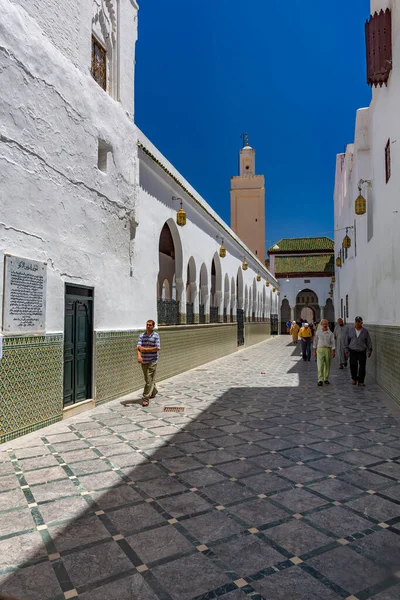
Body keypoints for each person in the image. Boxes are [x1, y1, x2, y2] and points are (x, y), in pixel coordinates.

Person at [137, 320, 160, 406]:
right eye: (147, 325)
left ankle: (146, 398)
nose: (148, 326)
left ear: (153, 326)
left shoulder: (156, 336)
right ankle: (154, 391)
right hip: (144, 360)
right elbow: (138, 347)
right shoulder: (142, 336)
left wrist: (145, 349)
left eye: (150, 325)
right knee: (148, 379)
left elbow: (157, 348)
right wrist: (139, 356)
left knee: (148, 379)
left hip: (153, 361)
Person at [345, 316, 372, 387]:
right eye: (356, 321)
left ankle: (361, 381)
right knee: (353, 365)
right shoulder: (350, 330)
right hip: (353, 351)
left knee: (362, 366)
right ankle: (354, 378)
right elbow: (347, 340)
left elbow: (368, 341)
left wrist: (369, 350)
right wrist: (346, 350)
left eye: (358, 322)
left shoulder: (365, 331)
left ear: (361, 323)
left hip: (362, 351)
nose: (357, 323)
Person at [313, 319, 336, 385]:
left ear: (328, 324)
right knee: (320, 365)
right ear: (321, 324)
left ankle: (326, 378)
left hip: (328, 349)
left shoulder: (330, 333)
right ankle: (320, 379)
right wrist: (314, 351)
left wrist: (333, 351)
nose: (325, 325)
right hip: (320, 349)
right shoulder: (318, 332)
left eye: (326, 324)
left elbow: (333, 342)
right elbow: (315, 342)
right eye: (324, 324)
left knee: (327, 365)